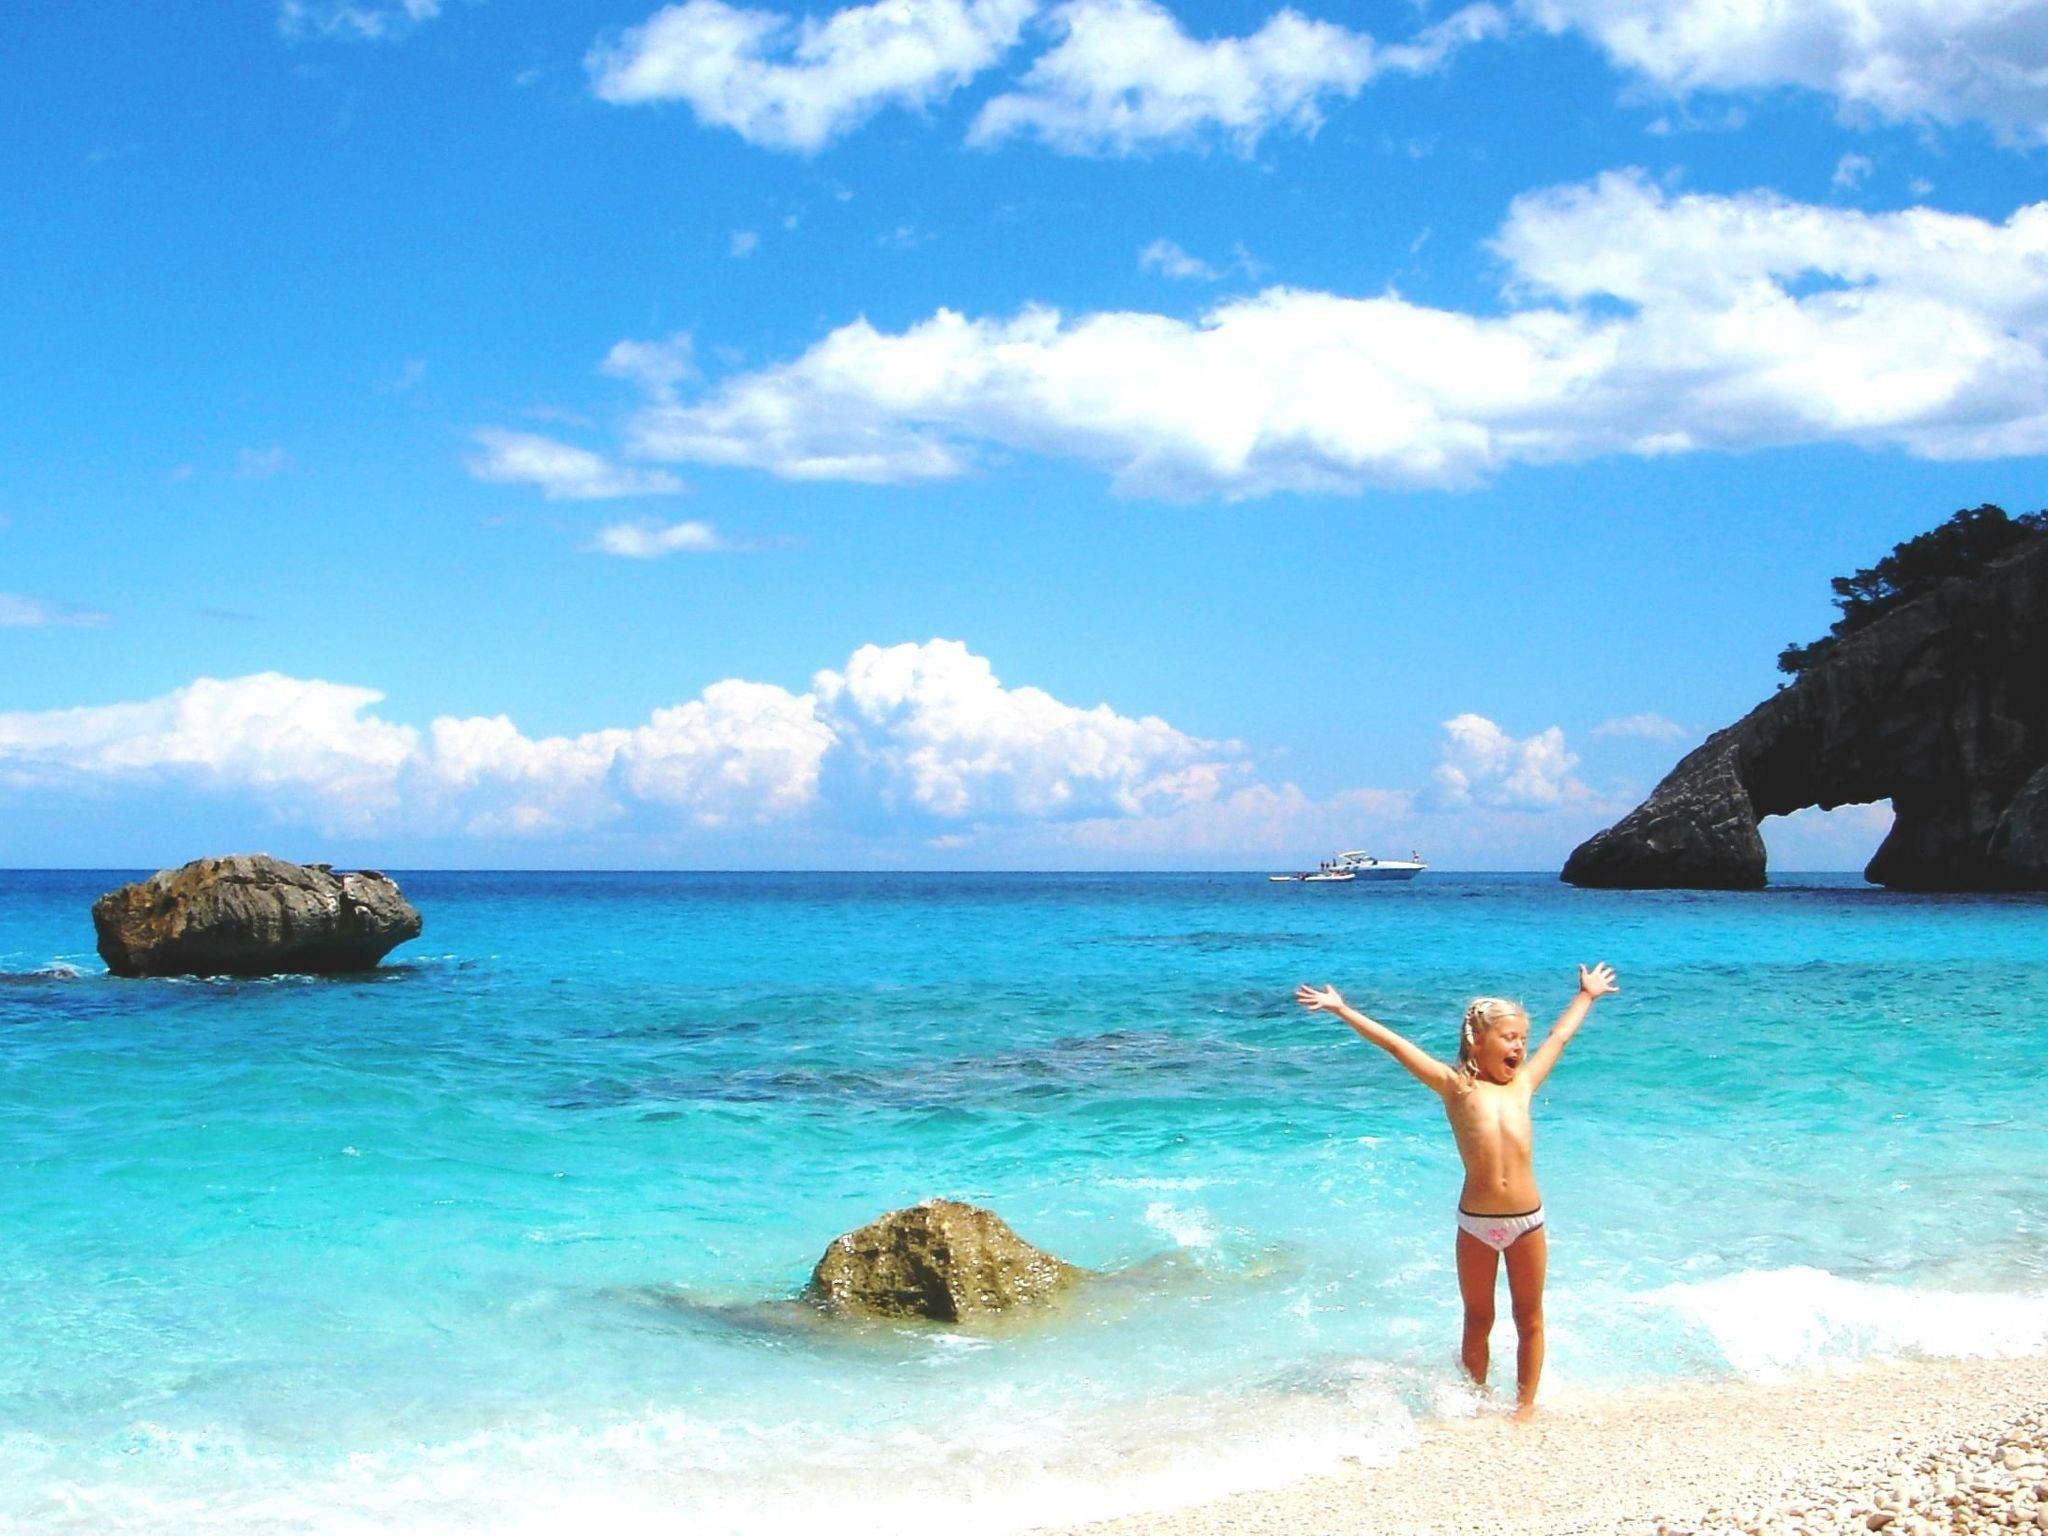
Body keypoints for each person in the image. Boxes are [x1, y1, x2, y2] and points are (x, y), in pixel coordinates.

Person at [1294, 963, 1620, 1419]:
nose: (1520, 1047)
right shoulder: (1455, 1087)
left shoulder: (1524, 1084)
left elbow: (1559, 1038)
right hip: (1476, 1224)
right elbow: (1396, 1046)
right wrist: (1342, 1009)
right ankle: (1476, 1402)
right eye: (1509, 1038)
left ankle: (1525, 1407)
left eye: (1522, 1039)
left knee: (1529, 1317)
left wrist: (1586, 995)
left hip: (1527, 1222)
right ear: (1477, 1041)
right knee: (1478, 1319)